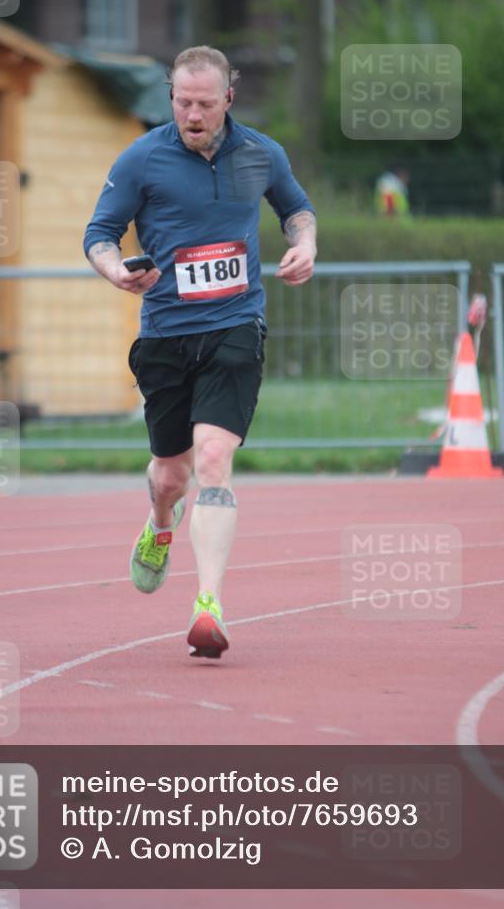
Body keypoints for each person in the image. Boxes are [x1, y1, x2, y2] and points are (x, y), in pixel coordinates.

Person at [83, 45, 316, 659]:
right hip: (165, 333)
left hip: (236, 324)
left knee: (214, 459)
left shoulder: (260, 154)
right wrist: (115, 272)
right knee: (171, 476)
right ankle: (161, 525)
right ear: (172, 99)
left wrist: (305, 244)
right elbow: (99, 233)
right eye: (183, 102)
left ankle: (208, 603)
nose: (192, 113)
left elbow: (297, 210)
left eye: (204, 104)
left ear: (228, 100)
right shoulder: (143, 158)